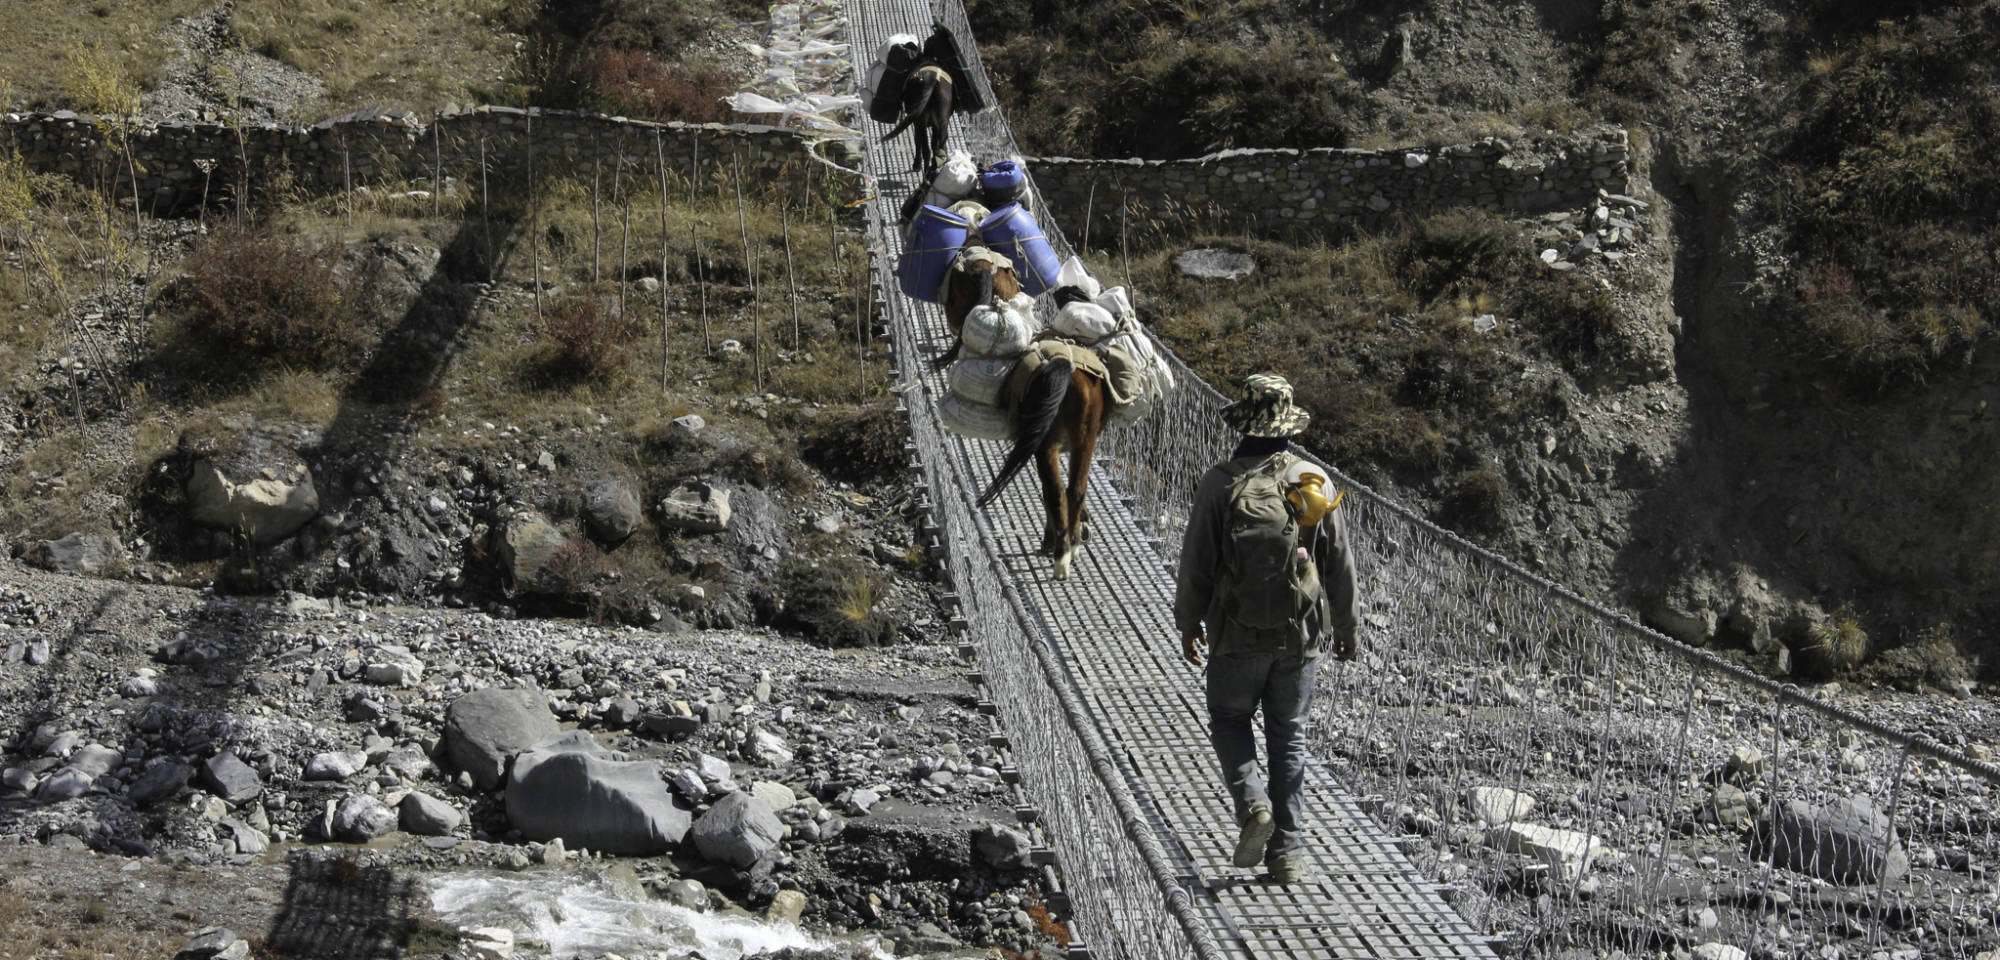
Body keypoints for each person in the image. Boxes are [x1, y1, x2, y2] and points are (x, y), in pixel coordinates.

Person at [1173, 373, 1359, 884]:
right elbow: (1338, 561)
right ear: (1288, 426)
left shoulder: (1220, 482)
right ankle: (1288, 855)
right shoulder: (1310, 480)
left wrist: (1188, 622)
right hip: (1298, 637)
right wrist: (1347, 626)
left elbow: (1197, 563)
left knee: (1230, 720)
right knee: (1289, 737)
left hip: (1234, 633)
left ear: (1245, 422)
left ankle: (1253, 805)